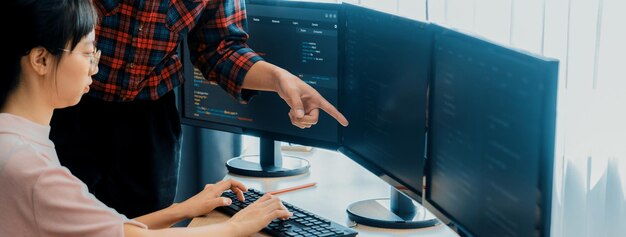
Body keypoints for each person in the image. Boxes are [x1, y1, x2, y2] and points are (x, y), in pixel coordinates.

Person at [1, 0, 291, 236]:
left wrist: (184, 209)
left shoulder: (21, 145)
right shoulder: (34, 171)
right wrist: (236, 227)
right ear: (40, 60)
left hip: (147, 115)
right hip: (77, 114)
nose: (94, 68)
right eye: (89, 53)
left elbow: (100, 227)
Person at [49, 0, 349, 218]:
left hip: (149, 121)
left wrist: (279, 79)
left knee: (146, 224)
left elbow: (219, 49)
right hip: (64, 104)